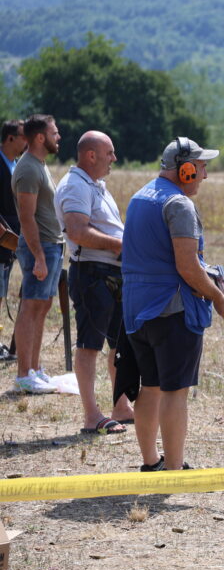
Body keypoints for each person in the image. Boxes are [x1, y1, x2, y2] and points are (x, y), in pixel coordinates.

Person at [121, 137, 224, 471]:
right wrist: (218, 297)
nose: (204, 175)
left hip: (137, 311)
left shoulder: (139, 197)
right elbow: (187, 267)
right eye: (200, 167)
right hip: (171, 310)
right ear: (185, 170)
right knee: (175, 392)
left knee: (151, 387)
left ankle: (151, 463)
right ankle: (174, 471)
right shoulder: (179, 205)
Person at [54, 131, 134, 434]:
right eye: (109, 153)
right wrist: (119, 246)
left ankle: (120, 406)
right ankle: (91, 416)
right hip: (91, 275)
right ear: (91, 155)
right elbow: (77, 231)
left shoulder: (95, 185)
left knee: (118, 344)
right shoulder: (76, 185)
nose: (114, 158)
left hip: (109, 275)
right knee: (89, 345)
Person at [10, 114, 64, 393]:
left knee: (42, 307)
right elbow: (27, 218)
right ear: (40, 137)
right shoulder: (29, 169)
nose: (59, 138)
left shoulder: (39, 165)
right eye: (55, 133)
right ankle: (23, 375)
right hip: (39, 247)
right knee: (30, 306)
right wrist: (39, 257)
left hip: (51, 245)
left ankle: (34, 368)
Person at [0, 119, 26, 363]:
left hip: (13, 242)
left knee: (3, 289)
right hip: (2, 239)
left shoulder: (17, 164)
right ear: (9, 138)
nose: (26, 141)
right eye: (22, 136)